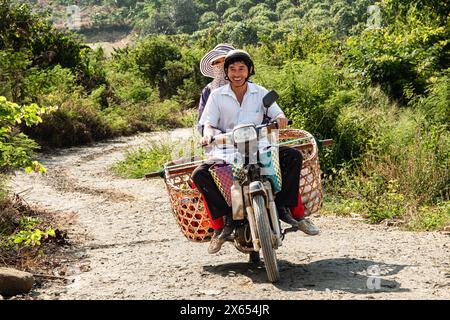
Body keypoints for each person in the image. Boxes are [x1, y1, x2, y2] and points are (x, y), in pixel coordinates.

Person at [192, 50, 320, 254]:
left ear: (249, 70)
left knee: (293, 156)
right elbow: (208, 123)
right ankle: (227, 221)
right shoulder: (215, 95)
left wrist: (280, 118)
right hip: (227, 148)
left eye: (241, 69)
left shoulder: (260, 92)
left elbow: (276, 112)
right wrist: (207, 135)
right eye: (232, 69)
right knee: (200, 174)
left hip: (260, 145)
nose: (237, 73)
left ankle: (285, 209)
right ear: (226, 72)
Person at [196, 43, 235, 136]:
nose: (221, 65)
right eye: (217, 62)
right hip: (219, 142)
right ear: (213, 65)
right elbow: (202, 123)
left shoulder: (248, 87)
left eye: (225, 61)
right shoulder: (208, 90)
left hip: (248, 139)